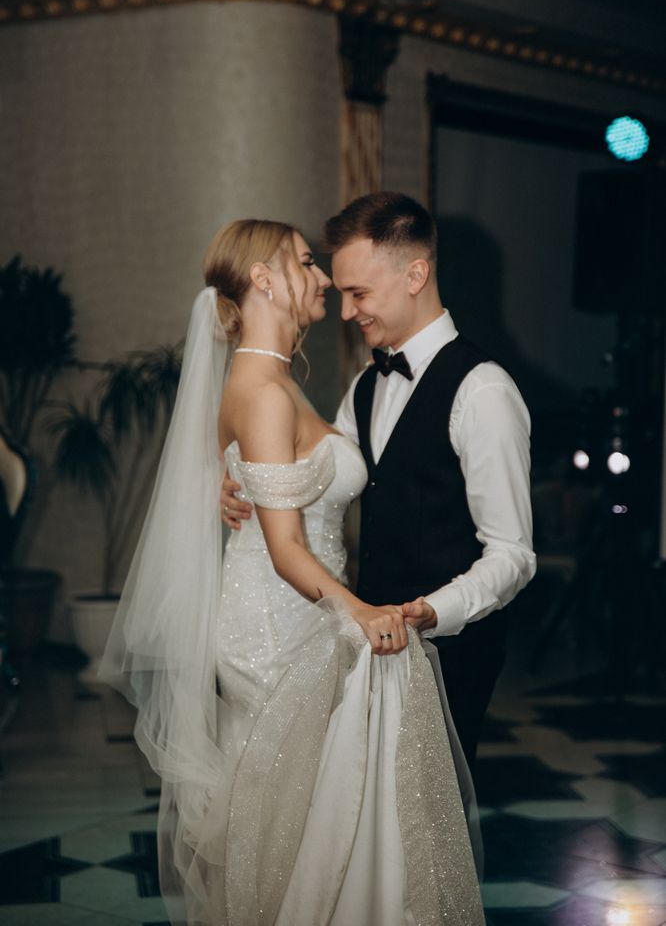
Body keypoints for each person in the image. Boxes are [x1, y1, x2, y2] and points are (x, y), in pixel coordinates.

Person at [101, 219, 485, 926]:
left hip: (298, 615)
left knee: (301, 818)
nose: (323, 279)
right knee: (295, 820)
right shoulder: (266, 392)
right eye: (306, 263)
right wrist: (359, 611)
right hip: (276, 627)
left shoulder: (274, 383)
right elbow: (284, 549)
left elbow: (256, 481)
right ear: (264, 280)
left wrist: (226, 485)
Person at [223, 193, 536, 773]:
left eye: (359, 294)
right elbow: (319, 470)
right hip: (364, 646)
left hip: (451, 653)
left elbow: (513, 554)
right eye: (342, 293)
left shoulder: (484, 391)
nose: (346, 312)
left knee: (434, 817)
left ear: (415, 275)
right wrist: (238, 477)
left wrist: (432, 611)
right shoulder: (366, 385)